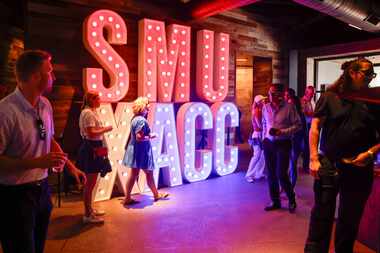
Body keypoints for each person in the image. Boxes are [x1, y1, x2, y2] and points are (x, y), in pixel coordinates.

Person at [0, 50, 86, 253]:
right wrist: (37, 162)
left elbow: (49, 139)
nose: (54, 76)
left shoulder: (45, 105)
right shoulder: (5, 112)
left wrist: (71, 167)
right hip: (14, 197)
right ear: (35, 76)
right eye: (50, 71)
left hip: (41, 191)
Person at [304, 58, 380, 253]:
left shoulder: (373, 101)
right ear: (352, 73)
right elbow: (315, 127)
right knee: (321, 216)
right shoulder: (330, 96)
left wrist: (370, 153)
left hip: (360, 169)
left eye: (372, 73)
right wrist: (313, 158)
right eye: (367, 73)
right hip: (330, 165)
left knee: (350, 220)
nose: (370, 77)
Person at [262, 84, 302, 213]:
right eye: (270, 93)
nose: (271, 96)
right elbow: (264, 123)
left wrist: (282, 132)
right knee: (271, 174)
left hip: (283, 143)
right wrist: (264, 137)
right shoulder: (265, 107)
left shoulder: (290, 108)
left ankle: (291, 200)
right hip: (268, 143)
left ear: (281, 94)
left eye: (274, 93)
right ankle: (275, 201)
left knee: (281, 174)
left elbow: (298, 125)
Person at [122, 97, 169, 205]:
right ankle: (155, 195)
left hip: (135, 150)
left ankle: (128, 197)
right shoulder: (141, 120)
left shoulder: (134, 118)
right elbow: (139, 137)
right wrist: (151, 136)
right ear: (142, 106)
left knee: (135, 174)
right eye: (147, 104)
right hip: (141, 151)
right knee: (148, 173)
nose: (149, 106)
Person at [77, 92, 113, 224]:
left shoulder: (90, 112)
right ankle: (87, 214)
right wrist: (106, 129)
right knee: (89, 184)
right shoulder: (88, 113)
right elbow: (91, 133)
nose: (100, 100)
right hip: (92, 148)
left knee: (91, 183)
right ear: (91, 100)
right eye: (97, 98)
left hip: (94, 147)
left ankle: (90, 209)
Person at [285, 88, 307, 189]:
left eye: (286, 96)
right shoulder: (297, 114)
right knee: (290, 164)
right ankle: (288, 185)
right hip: (291, 140)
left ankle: (291, 186)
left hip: (294, 141)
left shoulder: (298, 116)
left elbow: (300, 130)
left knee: (292, 163)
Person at [245, 95, 266, 182]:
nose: (264, 102)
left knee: (262, 156)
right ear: (259, 102)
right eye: (263, 101)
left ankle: (258, 173)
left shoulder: (261, 110)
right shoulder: (257, 111)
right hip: (258, 135)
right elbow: (259, 125)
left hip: (261, 134)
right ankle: (249, 175)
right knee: (257, 155)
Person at [301, 86, 315, 172]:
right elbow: (304, 113)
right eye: (311, 94)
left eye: (313, 94)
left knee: (309, 146)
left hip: (310, 124)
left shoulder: (310, 101)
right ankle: (305, 166)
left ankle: (307, 165)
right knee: (306, 146)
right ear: (306, 93)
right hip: (306, 125)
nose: (312, 95)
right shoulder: (303, 101)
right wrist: (313, 114)